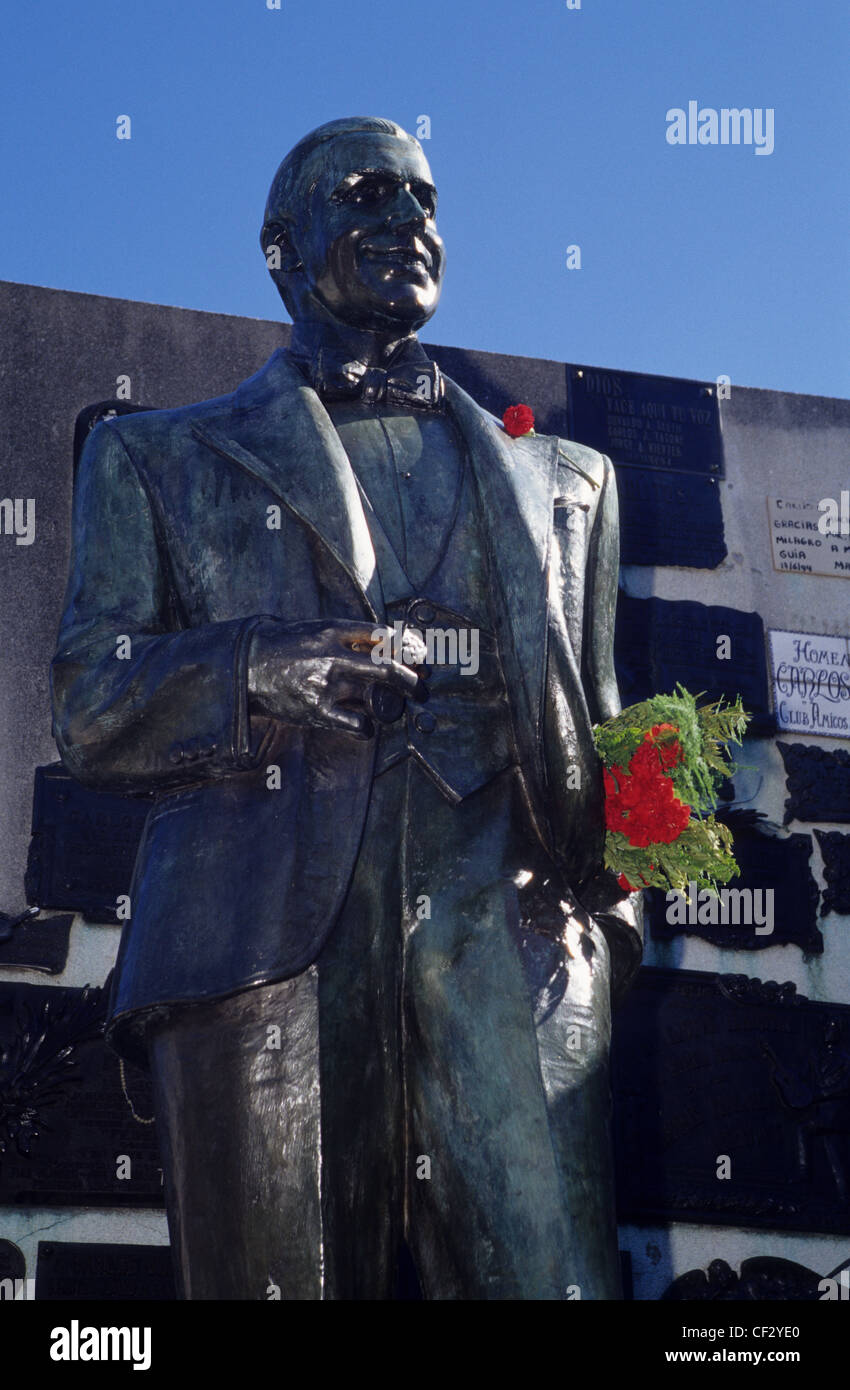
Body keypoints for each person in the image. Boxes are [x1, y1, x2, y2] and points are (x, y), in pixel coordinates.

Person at [51, 116, 642, 1300]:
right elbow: (91, 694)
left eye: (424, 203)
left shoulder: (571, 482)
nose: (408, 225)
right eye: (369, 198)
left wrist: (612, 907)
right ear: (282, 248)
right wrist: (261, 667)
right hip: (265, 938)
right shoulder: (158, 459)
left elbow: (603, 720)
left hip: (515, 934)